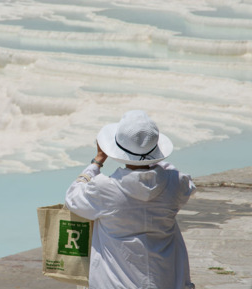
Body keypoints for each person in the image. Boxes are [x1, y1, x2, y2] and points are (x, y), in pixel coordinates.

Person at [65, 110, 196, 289]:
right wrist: (154, 158)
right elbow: (185, 182)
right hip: (166, 280)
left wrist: (96, 162)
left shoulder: (105, 188)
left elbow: (73, 198)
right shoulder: (175, 183)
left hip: (115, 284)